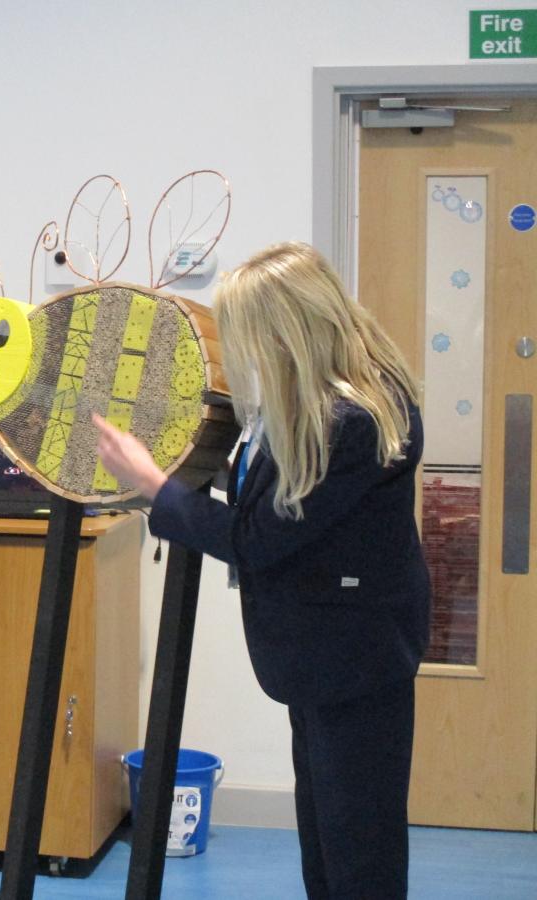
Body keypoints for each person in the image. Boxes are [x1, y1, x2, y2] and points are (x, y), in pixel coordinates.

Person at [94, 242, 430, 900]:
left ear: (288, 331)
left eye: (245, 334)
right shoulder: (313, 403)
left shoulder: (349, 420)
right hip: (322, 657)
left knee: (358, 851)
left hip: (354, 660)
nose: (240, 352)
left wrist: (154, 486)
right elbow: (272, 502)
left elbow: (258, 540)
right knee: (327, 840)